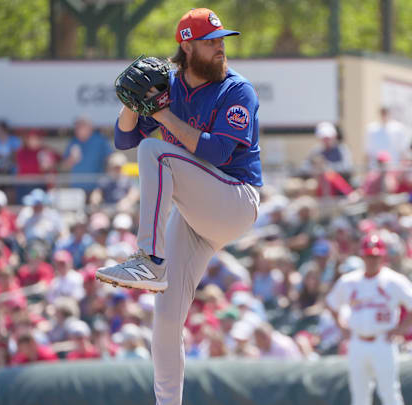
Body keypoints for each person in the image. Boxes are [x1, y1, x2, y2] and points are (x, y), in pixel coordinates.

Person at [95, 8, 261, 405]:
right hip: (194, 216)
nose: (220, 48)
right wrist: (132, 101)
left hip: (234, 198)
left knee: (156, 150)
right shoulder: (169, 85)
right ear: (186, 46)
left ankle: (150, 259)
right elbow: (123, 139)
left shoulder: (236, 90)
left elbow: (218, 152)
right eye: (211, 41)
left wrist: (161, 111)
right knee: (167, 318)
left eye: (222, 40)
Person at [326, 234, 412, 405]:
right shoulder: (350, 280)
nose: (372, 259)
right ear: (362, 256)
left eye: (375, 256)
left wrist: (401, 329)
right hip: (357, 341)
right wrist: (341, 325)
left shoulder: (393, 280)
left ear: (382, 256)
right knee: (359, 396)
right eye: (368, 255)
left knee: (389, 393)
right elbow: (331, 303)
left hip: (383, 341)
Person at [61, 115, 113, 193]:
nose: (78, 129)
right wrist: (71, 159)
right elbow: (64, 166)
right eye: (77, 126)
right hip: (77, 188)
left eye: (81, 126)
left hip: (97, 188)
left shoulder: (100, 140)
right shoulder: (73, 142)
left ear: (90, 127)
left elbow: (111, 158)